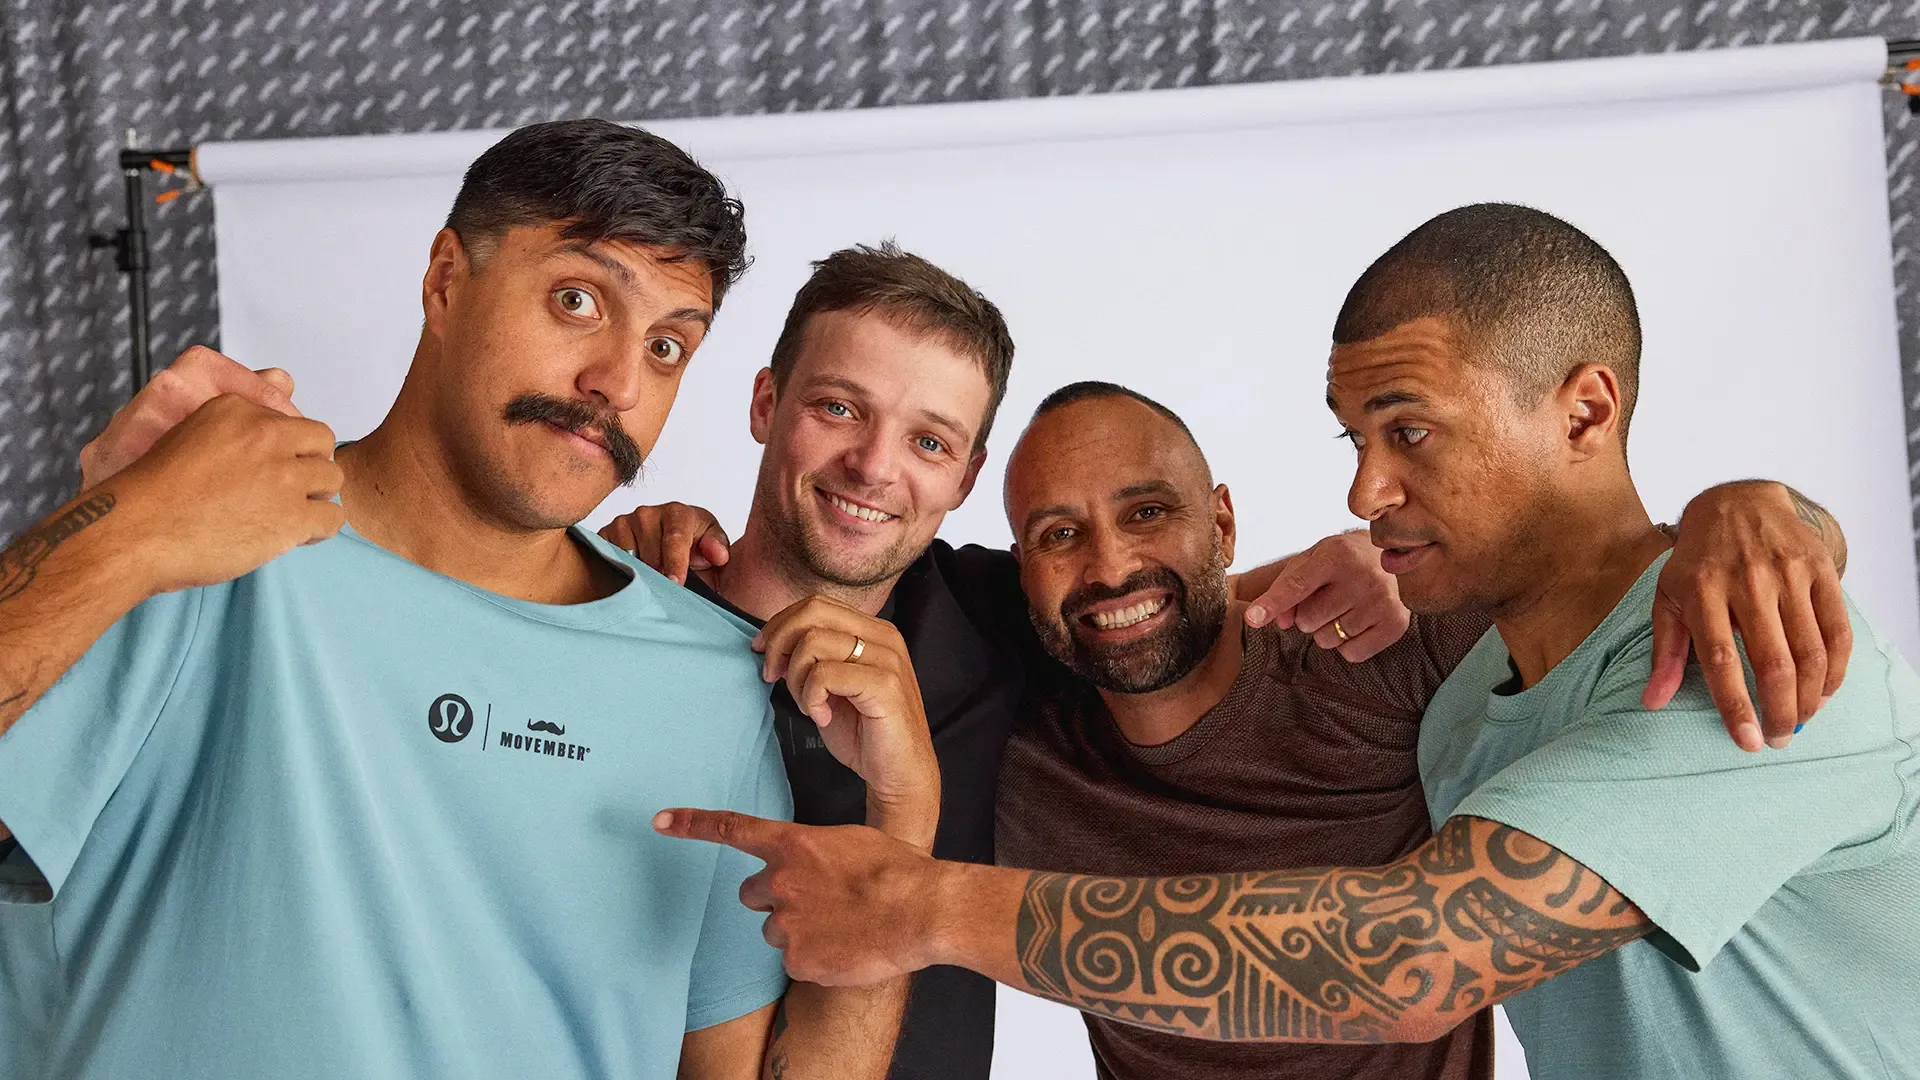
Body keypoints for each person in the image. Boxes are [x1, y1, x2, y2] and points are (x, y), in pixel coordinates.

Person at [76, 230, 1860, 1080]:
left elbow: (1405, 950)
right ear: (764, 407)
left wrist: (1750, 505)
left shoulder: (1376, 659)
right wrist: (625, 550)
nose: (1107, 567)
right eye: (843, 412)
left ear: (1223, 527)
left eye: (932, 443)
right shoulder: (665, 600)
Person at [646, 204, 1918, 1078]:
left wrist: (1757, 508)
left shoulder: (1746, 651)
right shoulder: (1477, 699)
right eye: (1352, 438)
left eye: (1407, 429)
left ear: (1587, 407)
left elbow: (1411, 956)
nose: (1364, 492)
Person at [0, 119, 939, 1080]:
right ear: (446, 279)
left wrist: (903, 821)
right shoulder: (199, 544)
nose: (616, 381)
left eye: (666, 347)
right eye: (577, 300)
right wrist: (122, 527)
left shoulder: (711, 683)